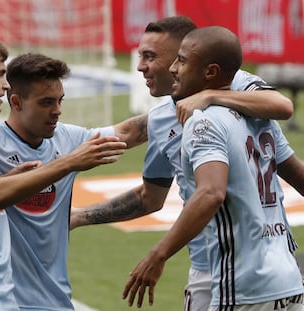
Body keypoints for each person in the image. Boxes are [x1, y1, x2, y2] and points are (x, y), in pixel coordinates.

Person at [70, 16, 298, 310]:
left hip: (232, 275)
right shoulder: (166, 118)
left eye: (152, 57)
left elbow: (211, 192)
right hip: (279, 274)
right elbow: (149, 197)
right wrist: (79, 216)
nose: (140, 66)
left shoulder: (225, 102)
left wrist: (158, 254)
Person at [0, 52, 148, 310]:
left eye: (60, 101)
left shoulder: (68, 139)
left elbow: (128, 132)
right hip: (0, 298)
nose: (57, 111)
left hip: (56, 300)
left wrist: (186, 103)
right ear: (16, 102)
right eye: (46, 102)